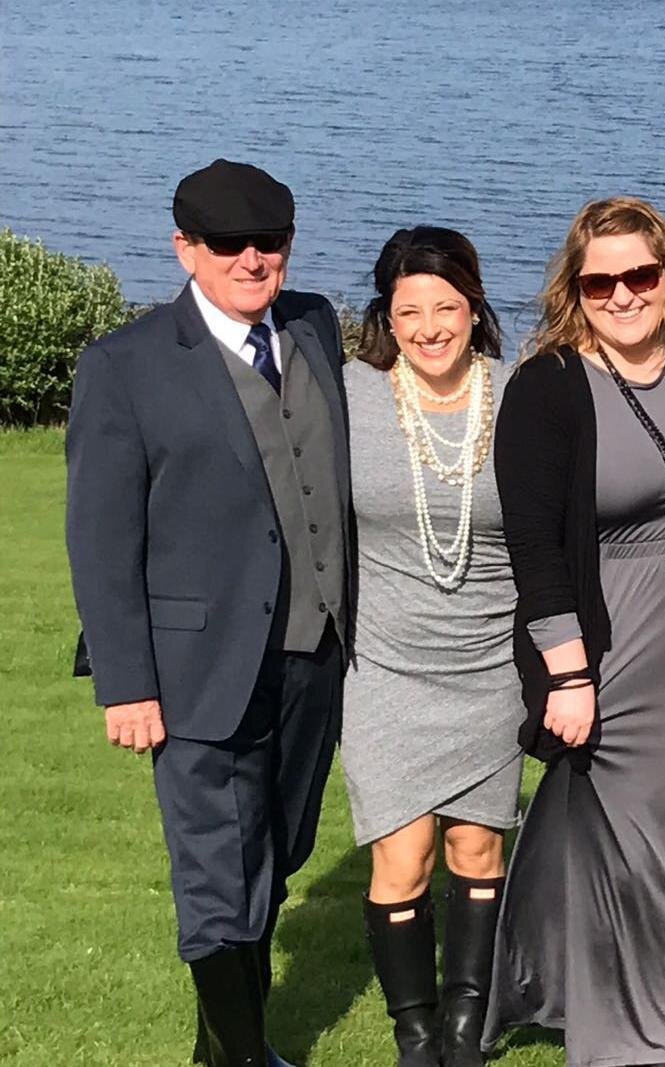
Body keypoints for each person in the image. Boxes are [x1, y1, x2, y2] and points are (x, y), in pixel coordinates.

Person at [484, 196, 665, 1067]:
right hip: (615, 659)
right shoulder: (547, 387)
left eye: (640, 275)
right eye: (599, 282)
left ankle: (615, 991)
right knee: (637, 855)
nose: (622, 295)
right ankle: (640, 1042)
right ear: (574, 290)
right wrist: (567, 674)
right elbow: (536, 547)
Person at [65, 159, 349, 1067]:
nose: (251, 259)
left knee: (274, 854)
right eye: (228, 243)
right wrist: (125, 683)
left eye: (269, 241)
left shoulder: (314, 325)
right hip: (193, 670)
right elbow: (101, 539)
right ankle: (246, 1057)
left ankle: (216, 1050)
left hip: (313, 656)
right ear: (184, 248)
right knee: (217, 873)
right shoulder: (125, 365)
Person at [340, 226, 524, 1067]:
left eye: (445, 307)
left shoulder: (520, 393)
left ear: (474, 307)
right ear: (387, 315)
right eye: (408, 310)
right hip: (385, 664)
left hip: (490, 665)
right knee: (403, 852)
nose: (428, 327)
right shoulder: (350, 394)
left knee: (476, 847)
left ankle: (465, 1025)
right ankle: (415, 1034)